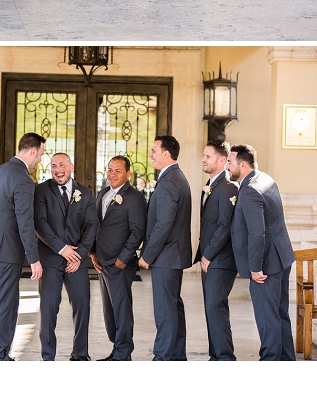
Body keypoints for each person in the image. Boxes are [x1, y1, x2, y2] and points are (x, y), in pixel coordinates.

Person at [0, 132, 45, 360]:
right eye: (41, 154)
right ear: (33, 151)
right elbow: (25, 222)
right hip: (7, 252)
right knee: (5, 304)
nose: (40, 160)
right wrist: (34, 258)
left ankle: (2, 352)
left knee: (7, 301)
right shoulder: (23, 179)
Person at [227, 143, 296, 361]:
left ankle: (270, 361)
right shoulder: (265, 178)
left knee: (267, 318)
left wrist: (255, 268)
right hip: (282, 258)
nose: (227, 167)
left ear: (243, 165)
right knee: (280, 314)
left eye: (230, 162)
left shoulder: (249, 190)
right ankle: (286, 359)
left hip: (266, 265)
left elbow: (257, 233)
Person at [34, 152, 97, 361]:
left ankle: (80, 353)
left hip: (76, 261)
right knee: (49, 309)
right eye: (53, 165)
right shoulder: (41, 190)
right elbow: (40, 223)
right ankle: (48, 356)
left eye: (61, 165)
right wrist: (62, 249)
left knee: (82, 306)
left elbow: (91, 226)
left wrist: (78, 254)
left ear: (71, 167)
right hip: (51, 259)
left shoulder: (86, 193)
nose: (57, 169)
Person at [138, 135, 192, 360]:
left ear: (166, 154)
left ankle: (162, 358)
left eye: (153, 150)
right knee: (173, 307)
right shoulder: (175, 177)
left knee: (165, 311)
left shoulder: (169, 181)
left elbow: (164, 223)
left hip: (166, 257)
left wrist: (147, 255)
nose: (151, 154)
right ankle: (177, 356)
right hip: (172, 256)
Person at [90, 155, 146, 360]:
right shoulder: (103, 193)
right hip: (102, 262)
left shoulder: (135, 197)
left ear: (128, 174)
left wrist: (123, 258)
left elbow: (137, 231)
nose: (112, 174)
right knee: (109, 310)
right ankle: (116, 349)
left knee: (121, 310)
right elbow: (97, 225)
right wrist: (93, 252)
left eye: (118, 171)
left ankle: (123, 353)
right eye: (110, 170)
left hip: (120, 264)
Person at [196, 139, 239, 361]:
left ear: (223, 160)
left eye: (208, 156)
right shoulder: (211, 185)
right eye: (203, 155)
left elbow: (225, 225)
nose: (203, 159)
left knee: (216, 307)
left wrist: (208, 254)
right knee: (211, 309)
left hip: (221, 260)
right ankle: (216, 356)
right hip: (212, 260)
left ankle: (224, 358)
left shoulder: (228, 187)